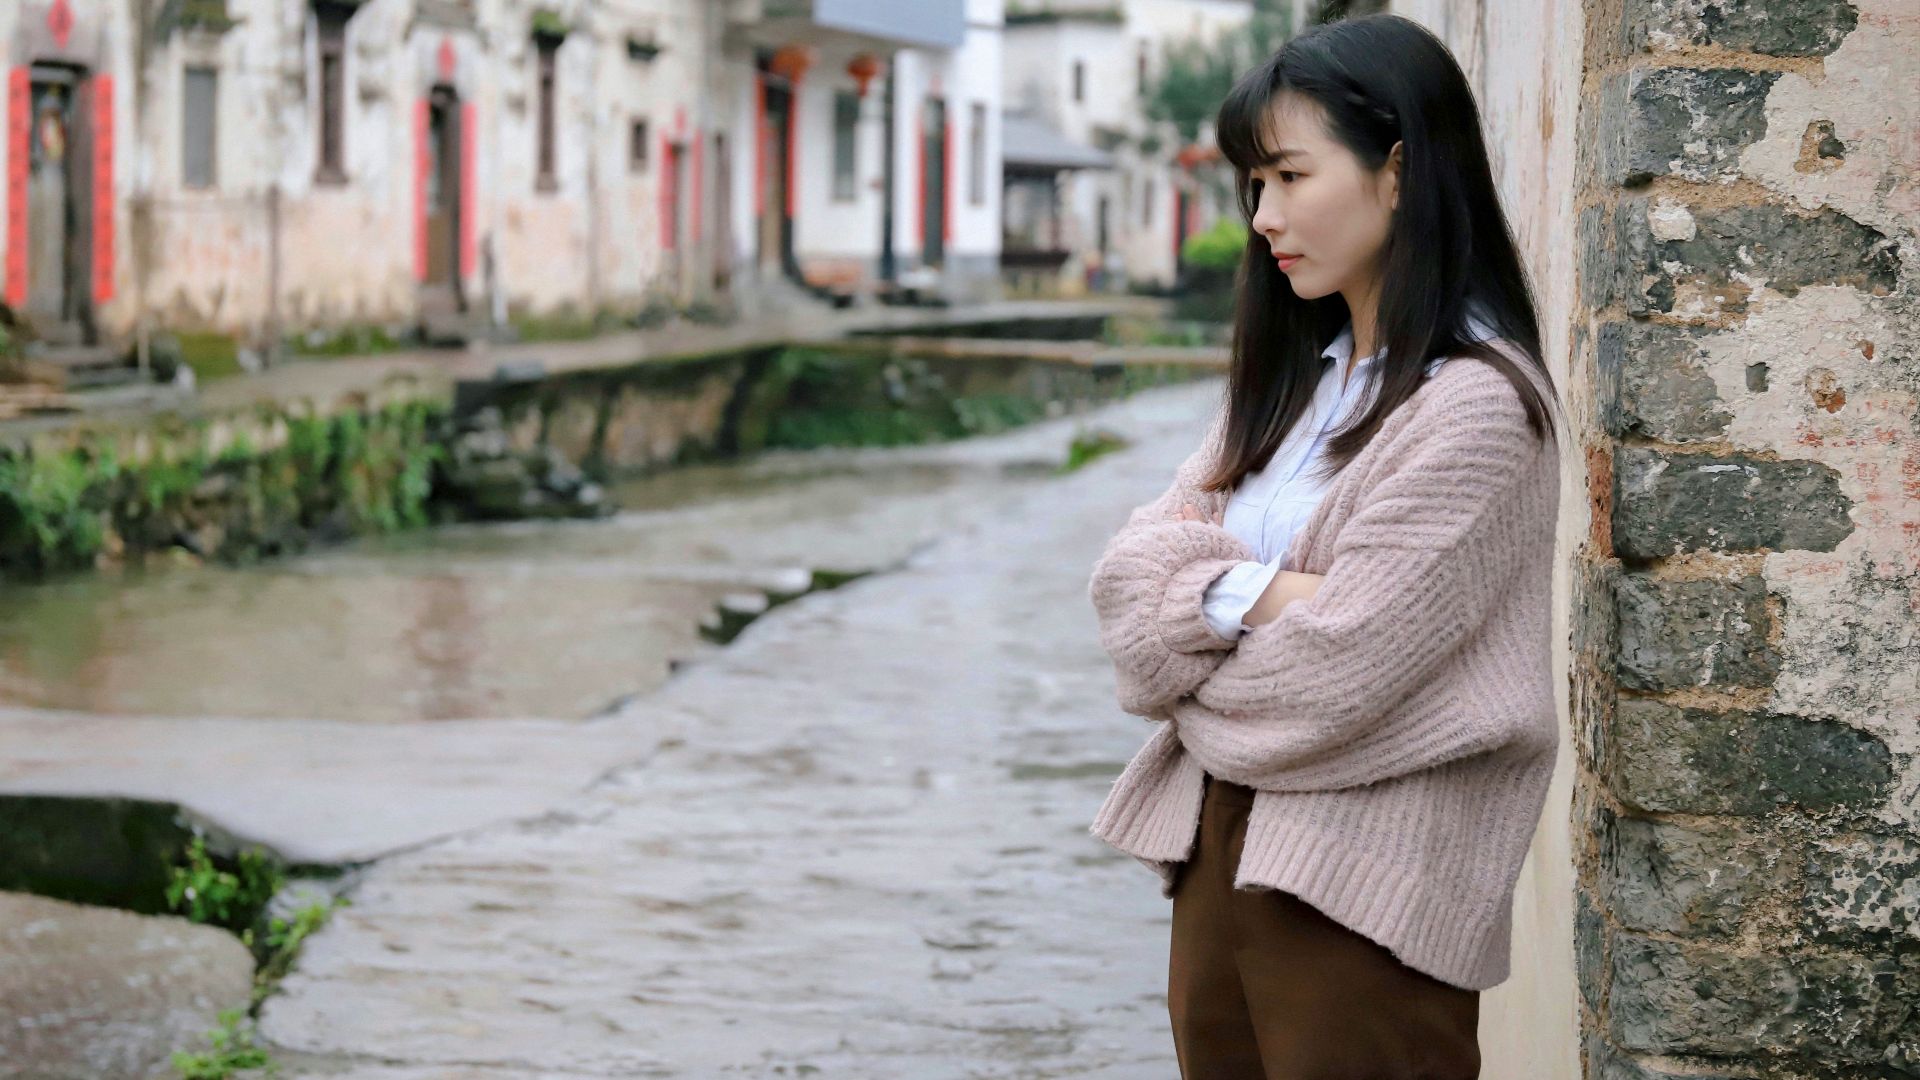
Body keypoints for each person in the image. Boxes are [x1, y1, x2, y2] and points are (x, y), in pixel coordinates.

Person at [1085, 14, 1567, 1080]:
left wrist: (1200, 638)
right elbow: (1123, 587)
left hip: (1365, 882)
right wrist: (1259, 595)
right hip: (1215, 849)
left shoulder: (1477, 409)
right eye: (1254, 186)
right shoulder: (1295, 386)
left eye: (1292, 176)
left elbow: (1340, 670)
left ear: (1399, 170)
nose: (1264, 217)